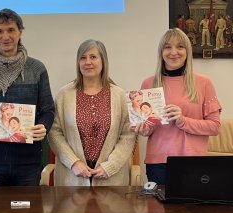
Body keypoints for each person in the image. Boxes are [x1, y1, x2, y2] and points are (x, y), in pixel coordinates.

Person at [0, 8, 55, 186]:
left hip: (28, 160)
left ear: (20, 32)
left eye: (11, 30)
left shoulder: (37, 69)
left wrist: (43, 126)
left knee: (28, 211)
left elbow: (48, 109)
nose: (5, 36)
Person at [136, 27, 221, 185]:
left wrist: (183, 120)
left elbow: (214, 127)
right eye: (167, 47)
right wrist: (144, 129)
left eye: (180, 46)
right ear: (161, 52)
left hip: (193, 162)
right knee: (159, 210)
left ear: (187, 51)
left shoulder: (204, 83)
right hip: (158, 163)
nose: (173, 52)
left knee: (193, 210)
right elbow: (149, 128)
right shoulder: (148, 84)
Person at [49, 39, 135, 186]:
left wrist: (110, 166)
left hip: (111, 179)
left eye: (93, 57)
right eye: (83, 58)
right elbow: (54, 133)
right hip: (72, 177)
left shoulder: (120, 95)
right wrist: (74, 163)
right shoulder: (64, 95)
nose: (87, 62)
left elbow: (128, 135)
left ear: (103, 61)